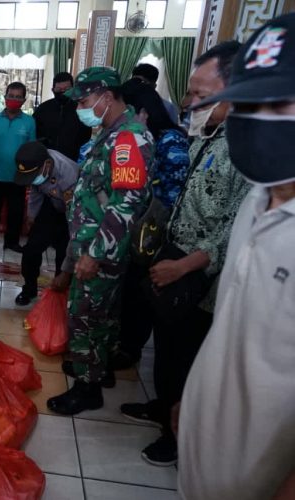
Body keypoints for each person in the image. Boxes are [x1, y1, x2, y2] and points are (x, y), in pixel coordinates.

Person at [176, 14, 295, 499]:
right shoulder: (258, 197)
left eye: (280, 103)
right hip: (209, 460)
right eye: (249, 103)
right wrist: (198, 397)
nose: (258, 119)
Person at [120, 41, 248, 467]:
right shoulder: (206, 138)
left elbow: (234, 228)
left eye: (199, 94)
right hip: (173, 257)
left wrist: (184, 266)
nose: (190, 102)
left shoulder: (248, 152)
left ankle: (178, 437)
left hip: (202, 276)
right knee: (167, 347)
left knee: (188, 359)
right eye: (190, 93)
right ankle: (163, 407)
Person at [45, 67, 154, 415]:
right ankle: (95, 367)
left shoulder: (128, 140)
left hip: (101, 251)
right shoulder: (108, 135)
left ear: (107, 97)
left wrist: (95, 253)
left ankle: (86, 388)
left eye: (85, 100)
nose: (80, 107)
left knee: (86, 316)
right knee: (103, 316)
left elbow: (127, 204)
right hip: (92, 245)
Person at [115, 82, 191, 367]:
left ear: (142, 111)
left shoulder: (170, 140)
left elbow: (174, 192)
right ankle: (123, 342)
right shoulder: (130, 137)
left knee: (141, 292)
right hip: (132, 226)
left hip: (155, 232)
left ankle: (131, 348)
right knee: (128, 289)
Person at [13, 142, 79, 306]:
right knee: (31, 249)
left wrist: (66, 270)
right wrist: (31, 216)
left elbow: (74, 219)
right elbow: (36, 189)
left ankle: (59, 296)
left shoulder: (68, 175)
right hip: (51, 204)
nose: (32, 179)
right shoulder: (37, 164)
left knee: (64, 254)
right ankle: (29, 289)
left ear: (47, 165)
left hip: (72, 211)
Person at [0, 82, 36, 254]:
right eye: (10, 96)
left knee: (16, 212)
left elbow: (32, 150)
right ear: (5, 97)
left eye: (18, 97)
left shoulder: (29, 122)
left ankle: (12, 242)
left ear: (24, 100)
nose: (13, 99)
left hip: (18, 176)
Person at [33, 72, 93, 162]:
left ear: (73, 89)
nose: (63, 92)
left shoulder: (80, 108)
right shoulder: (43, 108)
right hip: (45, 160)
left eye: (67, 89)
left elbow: (86, 135)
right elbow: (34, 132)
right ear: (53, 89)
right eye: (59, 89)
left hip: (71, 160)